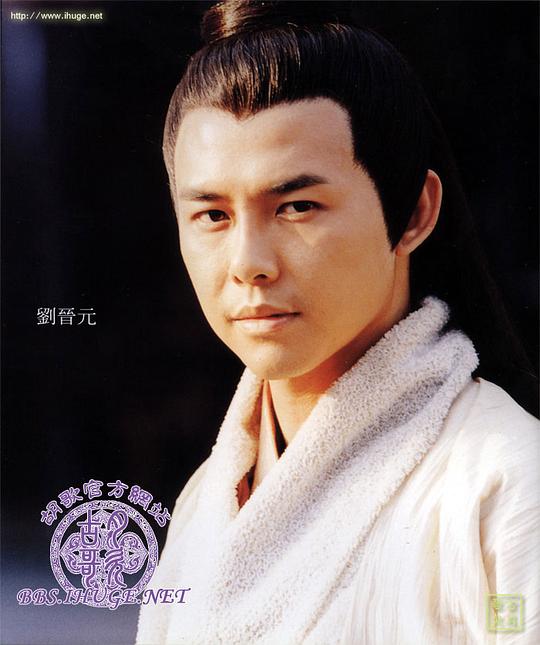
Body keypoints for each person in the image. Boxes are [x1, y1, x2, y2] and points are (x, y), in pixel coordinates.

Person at [136, 1, 539, 643]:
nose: (248, 264)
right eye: (213, 216)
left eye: (297, 206)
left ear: (413, 212)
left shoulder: (507, 480)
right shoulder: (202, 504)